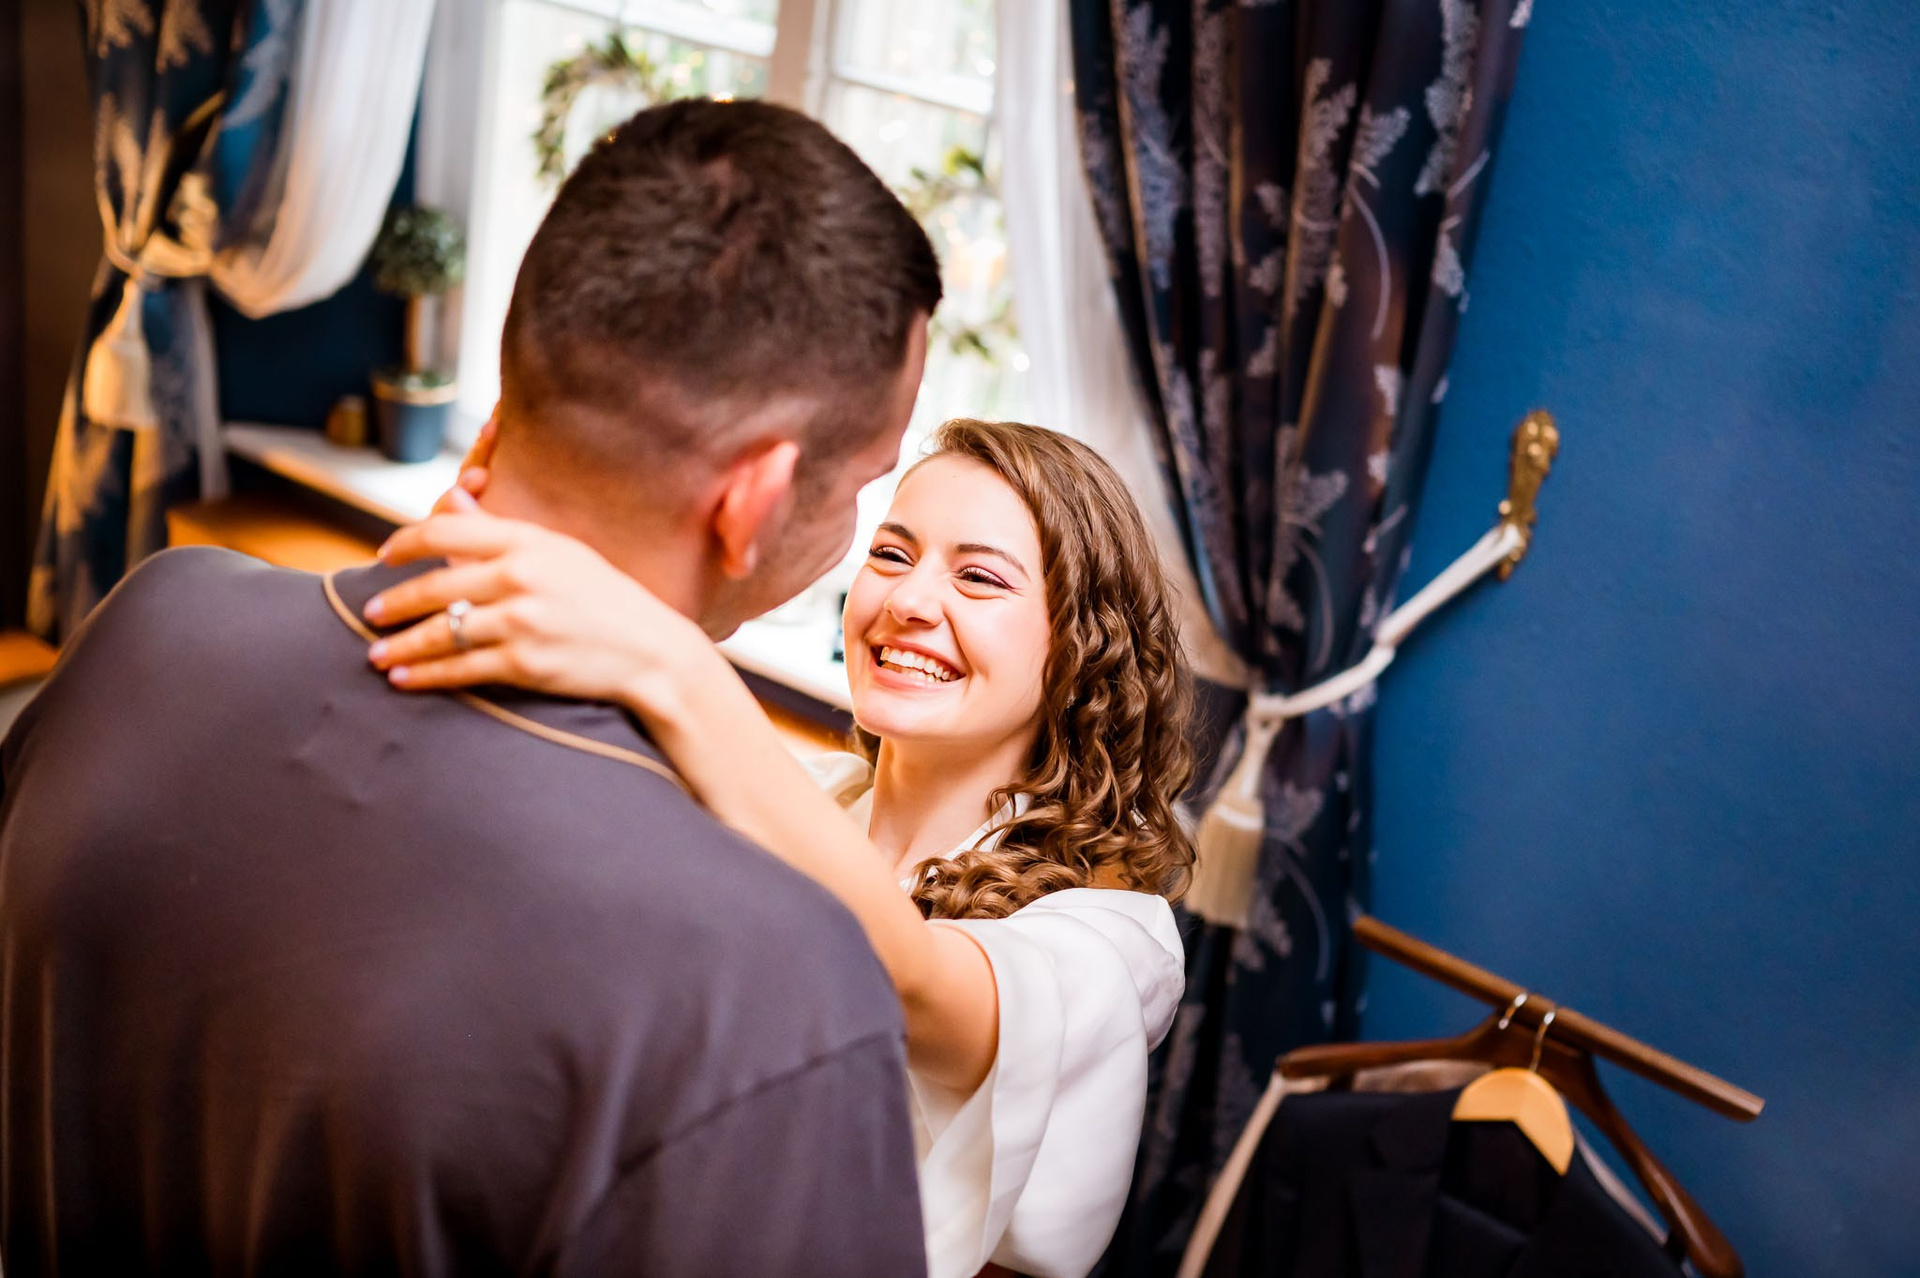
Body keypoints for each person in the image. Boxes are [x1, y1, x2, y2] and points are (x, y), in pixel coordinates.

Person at [0, 100, 940, 1275]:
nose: (860, 530)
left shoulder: (147, 629)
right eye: (865, 485)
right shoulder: (770, 984)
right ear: (751, 502)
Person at [361, 416, 1197, 1278]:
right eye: (891, 554)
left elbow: (912, 982)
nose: (909, 601)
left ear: (1082, 645)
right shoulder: (806, 796)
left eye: (978, 577)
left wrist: (675, 665)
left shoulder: (1113, 940)